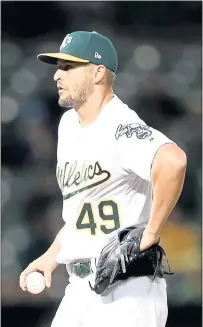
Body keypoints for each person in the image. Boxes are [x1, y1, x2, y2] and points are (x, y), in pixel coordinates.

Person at [19, 31, 187, 327]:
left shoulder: (121, 127)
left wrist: (151, 233)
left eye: (68, 67)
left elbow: (173, 162)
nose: (58, 75)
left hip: (128, 290)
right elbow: (82, 210)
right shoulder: (69, 125)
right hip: (80, 288)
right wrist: (51, 257)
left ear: (98, 73)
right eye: (58, 67)